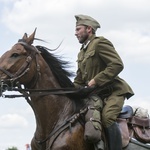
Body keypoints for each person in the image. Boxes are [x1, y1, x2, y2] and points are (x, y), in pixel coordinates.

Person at [73, 14, 134, 150]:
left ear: (89, 29)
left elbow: (117, 64)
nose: (75, 33)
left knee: (106, 119)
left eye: (78, 29)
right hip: (97, 95)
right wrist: (67, 91)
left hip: (114, 91)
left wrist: (95, 80)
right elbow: (79, 79)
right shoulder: (81, 53)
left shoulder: (100, 43)